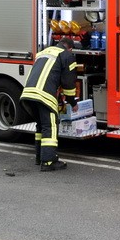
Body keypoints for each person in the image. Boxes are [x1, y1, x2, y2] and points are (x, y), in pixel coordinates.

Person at [20, 38, 79, 172]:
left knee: (41, 125)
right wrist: (72, 102)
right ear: (69, 48)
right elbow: (68, 83)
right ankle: (48, 161)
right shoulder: (67, 55)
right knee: (50, 126)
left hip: (29, 93)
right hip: (44, 95)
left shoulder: (43, 52)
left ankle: (39, 157)